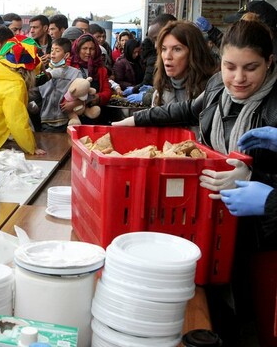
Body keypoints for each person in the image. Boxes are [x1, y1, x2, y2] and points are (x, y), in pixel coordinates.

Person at [113, 18, 276, 345]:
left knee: (256, 318)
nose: (238, 78)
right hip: (212, 218)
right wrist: (129, 122)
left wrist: (261, 185)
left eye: (251, 68)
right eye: (230, 66)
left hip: (262, 238)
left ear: (270, 63)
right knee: (209, 303)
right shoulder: (217, 87)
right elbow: (185, 110)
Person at [128, 21, 215, 107]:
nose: (167, 56)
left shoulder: (210, 91)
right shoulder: (160, 91)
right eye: (164, 49)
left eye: (177, 49)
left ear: (194, 53)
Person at [29, 37, 79, 132]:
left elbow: (85, 94)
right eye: (52, 50)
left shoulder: (74, 73)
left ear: (66, 55)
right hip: (46, 122)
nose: (53, 53)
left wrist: (75, 103)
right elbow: (34, 94)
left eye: (57, 50)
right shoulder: (44, 74)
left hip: (67, 121)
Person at [67, 33, 111, 124]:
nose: (88, 52)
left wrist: (98, 97)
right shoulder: (69, 65)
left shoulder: (101, 69)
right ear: (78, 49)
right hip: (72, 115)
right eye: (84, 48)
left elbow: (107, 91)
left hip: (94, 117)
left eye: (92, 49)